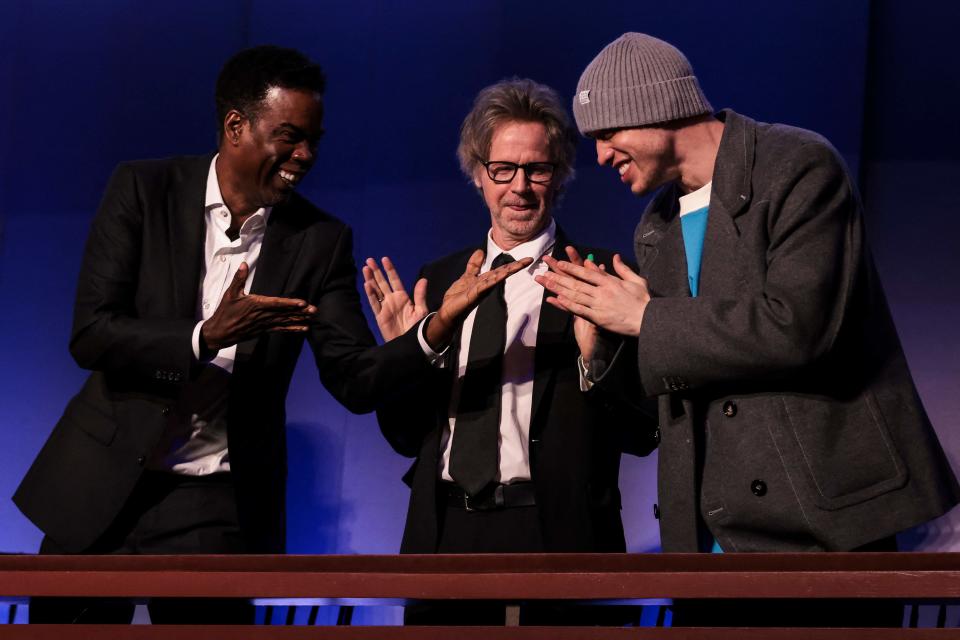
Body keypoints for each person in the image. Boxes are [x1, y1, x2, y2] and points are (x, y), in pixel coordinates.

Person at [12, 45, 524, 625]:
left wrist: (433, 329)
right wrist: (204, 337)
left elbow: (354, 378)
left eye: (314, 139)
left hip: (213, 505)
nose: (304, 155)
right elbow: (92, 334)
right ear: (236, 126)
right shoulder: (142, 190)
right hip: (101, 487)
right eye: (289, 136)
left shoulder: (317, 240)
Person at [538, 32, 960, 627]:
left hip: (819, 532)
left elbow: (799, 326)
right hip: (708, 546)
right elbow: (675, 399)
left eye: (607, 134)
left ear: (654, 109)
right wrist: (604, 348)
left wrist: (646, 318)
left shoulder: (797, 166)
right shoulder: (655, 227)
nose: (602, 156)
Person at [362, 78, 657, 626]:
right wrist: (409, 354)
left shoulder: (602, 276)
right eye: (503, 169)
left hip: (560, 536)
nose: (519, 186)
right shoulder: (441, 280)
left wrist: (597, 363)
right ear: (478, 174)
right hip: (445, 536)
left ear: (560, 175)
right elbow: (405, 438)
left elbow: (644, 434)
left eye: (537, 169)